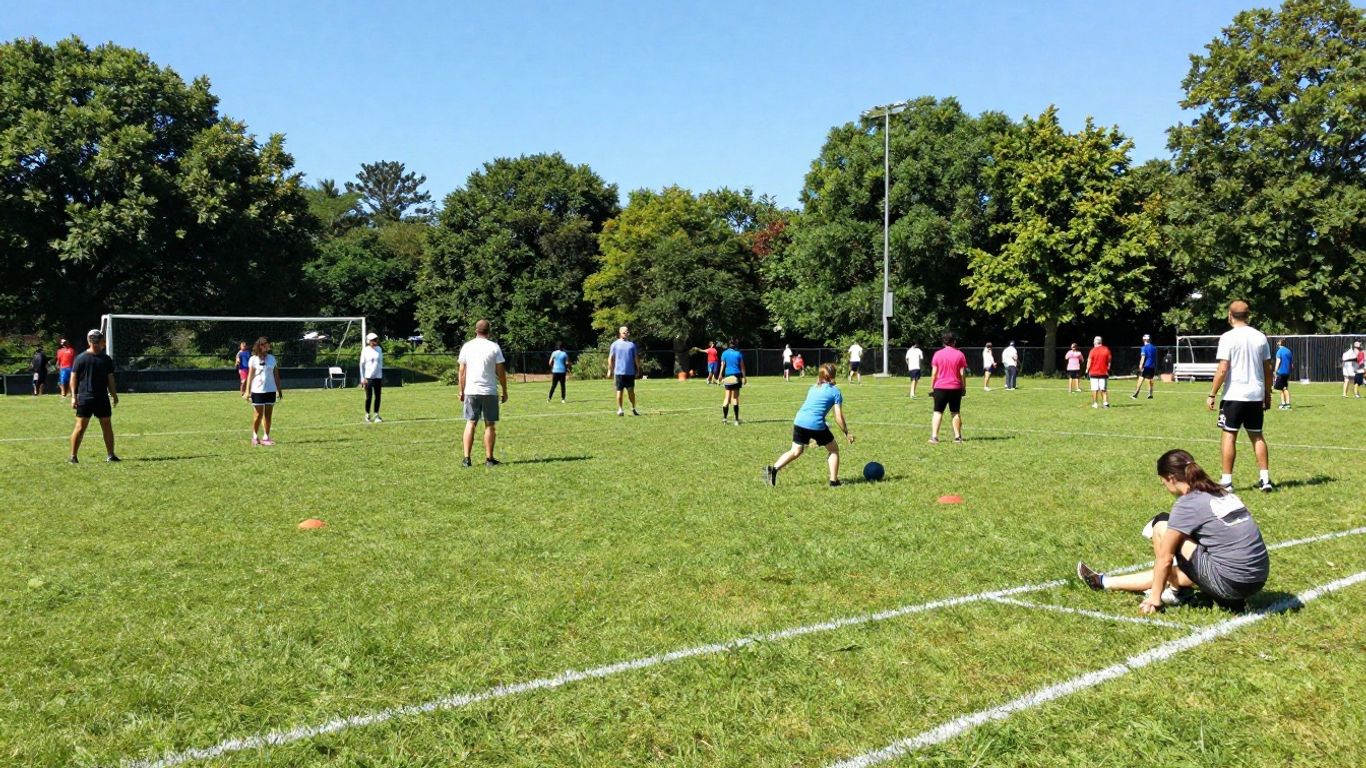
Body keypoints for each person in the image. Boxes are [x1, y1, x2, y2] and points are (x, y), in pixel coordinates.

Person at [1077, 449, 1269, 613]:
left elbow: (1165, 559)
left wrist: (1154, 598)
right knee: (1177, 567)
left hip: (1230, 583)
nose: (1164, 486)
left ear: (1170, 478)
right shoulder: (1220, 492)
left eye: (1163, 482)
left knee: (1161, 523)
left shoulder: (1188, 504)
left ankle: (1177, 593)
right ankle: (1103, 581)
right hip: (1256, 580)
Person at [1207, 300, 1273, 492]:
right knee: (1257, 435)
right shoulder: (1260, 337)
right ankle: (1265, 479)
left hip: (1234, 395)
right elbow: (1267, 368)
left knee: (1229, 435)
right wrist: (1267, 392)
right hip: (1255, 395)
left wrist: (1212, 394)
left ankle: (1227, 481)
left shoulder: (1227, 337)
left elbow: (1223, 369)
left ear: (1229, 315)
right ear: (1248, 315)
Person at [764, 363, 853, 488]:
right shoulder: (835, 392)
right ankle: (834, 481)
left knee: (796, 451)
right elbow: (838, 416)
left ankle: (773, 469)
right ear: (833, 375)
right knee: (833, 450)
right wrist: (846, 432)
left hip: (799, 421)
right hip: (816, 424)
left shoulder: (813, 387)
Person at [458, 319, 508, 467]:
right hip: (489, 391)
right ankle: (489, 459)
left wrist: (461, 389)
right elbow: (501, 371)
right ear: (488, 331)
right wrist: (504, 390)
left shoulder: (467, 346)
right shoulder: (494, 347)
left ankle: (467, 459)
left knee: (470, 423)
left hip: (471, 390)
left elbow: (461, 370)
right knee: (490, 425)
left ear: (476, 330)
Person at [68, 329, 119, 463]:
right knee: (80, 427)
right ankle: (73, 456)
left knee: (107, 425)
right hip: (85, 398)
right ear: (91, 341)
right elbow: (73, 378)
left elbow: (110, 378)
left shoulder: (106, 359)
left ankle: (111, 455)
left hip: (101, 397)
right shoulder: (81, 358)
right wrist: (73, 396)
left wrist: (113, 394)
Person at [928, 331, 969, 444]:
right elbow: (962, 373)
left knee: (937, 412)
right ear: (954, 341)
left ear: (943, 342)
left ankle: (934, 437)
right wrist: (964, 387)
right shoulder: (960, 354)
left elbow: (934, 372)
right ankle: (957, 437)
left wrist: (932, 387)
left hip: (940, 387)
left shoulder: (937, 354)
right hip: (955, 387)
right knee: (955, 412)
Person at [243, 336, 283, 446]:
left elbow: (276, 375)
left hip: (270, 390)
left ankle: (266, 437)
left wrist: (279, 389)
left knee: (268, 415)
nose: (268, 346)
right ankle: (255, 436)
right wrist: (247, 391)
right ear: (261, 346)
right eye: (266, 344)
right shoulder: (253, 359)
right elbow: (250, 376)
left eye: (268, 344)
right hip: (257, 391)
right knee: (258, 415)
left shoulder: (272, 358)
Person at [607, 326, 641, 416]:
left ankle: (633, 408)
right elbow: (610, 358)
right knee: (619, 392)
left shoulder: (631, 345)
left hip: (630, 373)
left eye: (627, 332)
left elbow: (636, 358)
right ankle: (620, 409)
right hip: (619, 373)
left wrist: (638, 368)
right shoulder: (614, 344)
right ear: (620, 333)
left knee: (631, 392)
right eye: (624, 332)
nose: (626, 333)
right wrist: (609, 370)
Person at [720, 339, 746, 425]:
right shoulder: (738, 353)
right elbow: (742, 366)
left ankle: (724, 419)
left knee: (726, 398)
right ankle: (736, 420)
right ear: (735, 345)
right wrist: (744, 377)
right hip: (736, 376)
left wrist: (720, 375)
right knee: (735, 398)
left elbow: (722, 365)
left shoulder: (724, 353)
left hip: (728, 376)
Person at [360, 332, 384, 422]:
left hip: (378, 377)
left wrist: (381, 375)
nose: (375, 342)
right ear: (369, 341)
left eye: (376, 340)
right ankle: (367, 414)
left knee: (378, 396)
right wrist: (363, 378)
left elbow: (380, 363)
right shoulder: (365, 350)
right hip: (368, 377)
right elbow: (361, 364)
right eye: (373, 340)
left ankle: (376, 415)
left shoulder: (379, 349)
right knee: (369, 397)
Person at [1086, 336, 1111, 409]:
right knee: (1103, 388)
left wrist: (1087, 370)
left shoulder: (1092, 350)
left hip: (1093, 372)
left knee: (1094, 389)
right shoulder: (1106, 350)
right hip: (1103, 372)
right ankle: (1105, 402)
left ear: (1095, 342)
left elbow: (1089, 361)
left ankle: (1095, 403)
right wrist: (1108, 369)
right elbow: (1109, 361)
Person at [1130, 334, 1157, 400]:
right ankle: (1150, 393)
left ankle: (1136, 394)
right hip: (1152, 366)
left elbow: (1143, 357)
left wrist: (1140, 365)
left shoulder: (1144, 348)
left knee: (1141, 379)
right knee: (1150, 379)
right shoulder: (1154, 347)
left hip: (1146, 365)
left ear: (1144, 340)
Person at [1273, 339, 1292, 410]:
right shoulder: (1289, 351)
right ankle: (1288, 404)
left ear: (1279, 343)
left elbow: (1278, 361)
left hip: (1280, 372)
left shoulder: (1279, 351)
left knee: (1281, 388)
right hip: (1287, 372)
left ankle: (1283, 404)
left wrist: (1275, 371)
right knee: (1285, 388)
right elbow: (1291, 364)